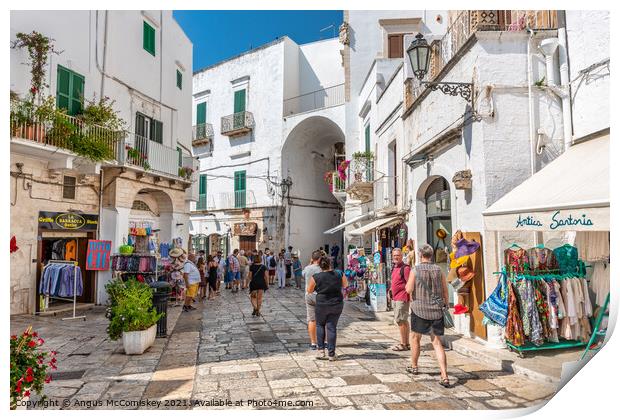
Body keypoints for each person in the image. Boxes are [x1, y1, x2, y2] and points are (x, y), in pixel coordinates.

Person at [405, 244, 450, 388]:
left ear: (420, 255)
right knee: (437, 343)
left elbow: (408, 289)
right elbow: (445, 290)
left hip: (419, 310)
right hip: (436, 310)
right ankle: (444, 375)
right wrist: (446, 304)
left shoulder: (415, 270)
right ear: (431, 255)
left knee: (415, 339)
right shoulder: (439, 270)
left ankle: (414, 366)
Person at [307, 256, 347, 361]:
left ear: (320, 266)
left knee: (320, 325)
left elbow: (309, 290)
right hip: (336, 303)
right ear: (330, 264)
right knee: (331, 327)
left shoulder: (316, 277)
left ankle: (321, 351)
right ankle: (331, 354)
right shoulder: (339, 274)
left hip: (322, 304)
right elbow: (345, 284)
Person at [390, 248, 411, 351]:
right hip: (395, 297)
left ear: (402, 256)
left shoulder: (405, 268)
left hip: (402, 297)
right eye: (394, 255)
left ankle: (403, 344)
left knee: (400, 320)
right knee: (403, 321)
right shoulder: (394, 267)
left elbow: (410, 283)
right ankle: (406, 343)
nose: (396, 257)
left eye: (398, 255)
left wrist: (410, 298)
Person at [302, 251, 322, 349]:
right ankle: (325, 341)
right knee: (323, 319)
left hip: (309, 295)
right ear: (319, 259)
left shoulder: (307, 268)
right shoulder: (322, 269)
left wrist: (309, 264)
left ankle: (313, 343)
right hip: (320, 295)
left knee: (311, 319)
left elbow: (303, 275)